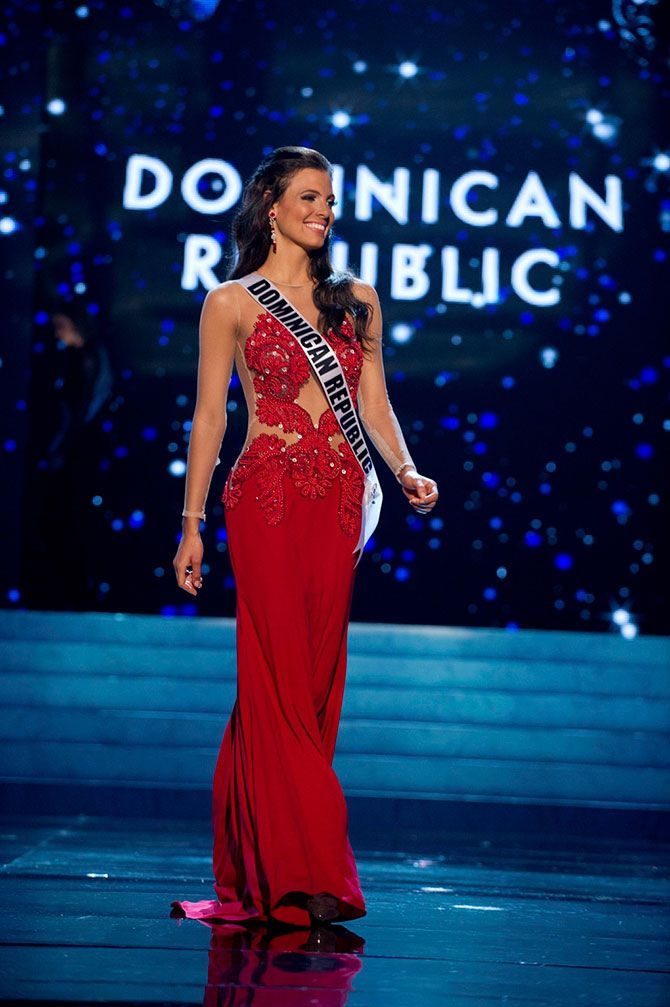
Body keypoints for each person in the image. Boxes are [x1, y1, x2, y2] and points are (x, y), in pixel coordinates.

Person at [171, 146, 438, 928]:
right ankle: (312, 869)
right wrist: (189, 524)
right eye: (310, 197)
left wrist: (406, 470)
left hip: (337, 503)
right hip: (267, 500)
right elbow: (212, 419)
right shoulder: (230, 301)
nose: (325, 210)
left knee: (309, 686)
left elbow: (375, 402)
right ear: (271, 207)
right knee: (277, 676)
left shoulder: (357, 300)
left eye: (331, 200)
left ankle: (265, 869)